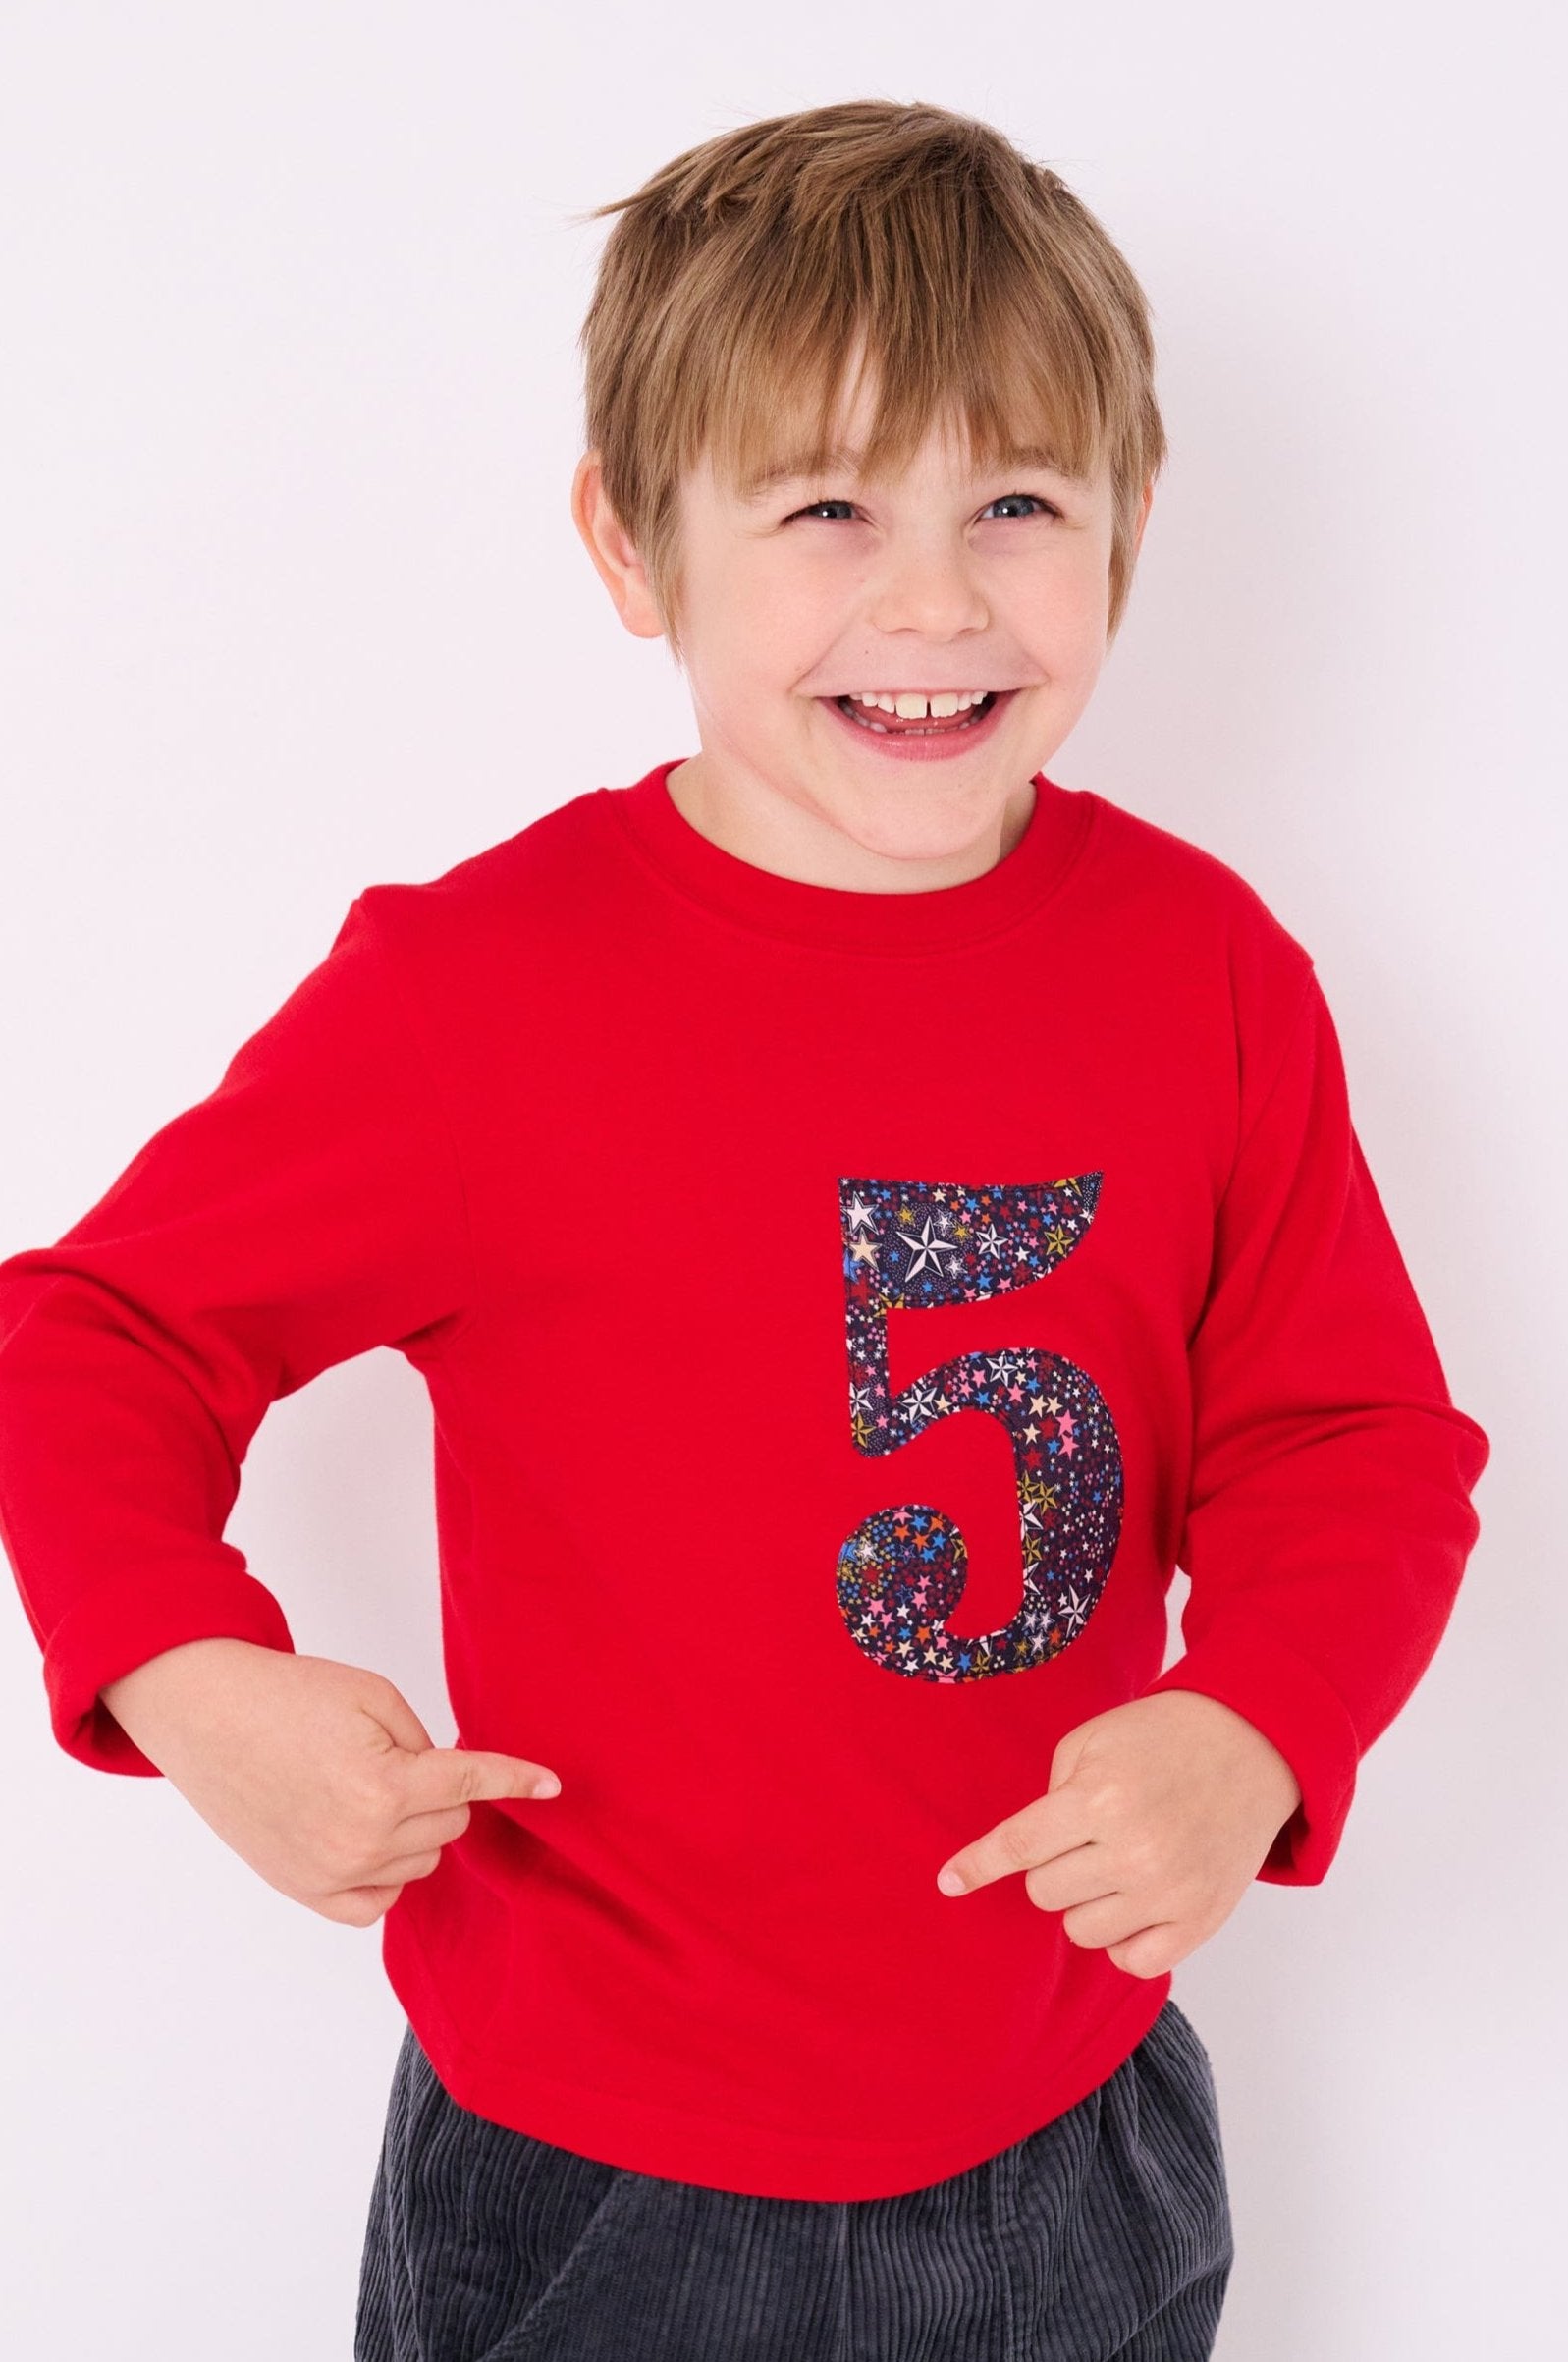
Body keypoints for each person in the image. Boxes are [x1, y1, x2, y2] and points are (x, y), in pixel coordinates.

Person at [0, 99, 1489, 2361]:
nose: (935, 602)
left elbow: (1350, 1437)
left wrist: (1258, 1723)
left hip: (1069, 2123)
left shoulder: (1206, 972)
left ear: (1131, 518)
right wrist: (187, 1674)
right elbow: (90, 1333)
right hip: (586, 2170)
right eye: (827, 510)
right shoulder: (471, 999)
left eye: (1016, 504)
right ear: (631, 541)